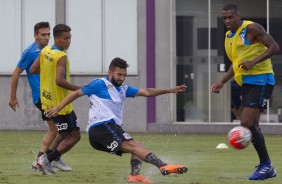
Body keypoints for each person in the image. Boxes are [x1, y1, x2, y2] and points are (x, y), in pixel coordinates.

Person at [46, 58, 188, 183]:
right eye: (119, 74)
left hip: (110, 128)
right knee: (134, 147)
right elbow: (77, 93)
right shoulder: (99, 83)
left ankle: (135, 176)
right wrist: (58, 108)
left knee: (137, 146)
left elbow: (147, 92)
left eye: (124, 75)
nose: (121, 78)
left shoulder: (123, 89)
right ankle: (162, 165)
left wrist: (169, 90)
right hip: (101, 127)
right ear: (110, 72)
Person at [211, 4, 280, 180]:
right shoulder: (229, 36)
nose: (227, 21)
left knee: (246, 122)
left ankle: (266, 165)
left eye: (230, 17)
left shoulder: (251, 28)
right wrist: (222, 82)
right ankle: (266, 167)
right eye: (224, 18)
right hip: (247, 83)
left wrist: (254, 62)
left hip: (261, 79)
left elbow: (274, 47)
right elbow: (237, 63)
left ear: (238, 16)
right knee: (253, 125)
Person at [8, 22, 71, 172]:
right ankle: (47, 159)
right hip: (42, 97)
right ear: (35, 35)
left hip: (51, 96)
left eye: (48, 34)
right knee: (61, 129)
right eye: (43, 34)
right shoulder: (30, 51)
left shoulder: (49, 50)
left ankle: (46, 159)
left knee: (58, 129)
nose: (46, 37)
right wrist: (12, 97)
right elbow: (16, 73)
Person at [30, 24, 81, 175]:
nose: (69, 41)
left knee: (73, 133)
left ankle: (50, 158)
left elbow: (33, 69)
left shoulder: (46, 50)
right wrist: (80, 89)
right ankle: (44, 160)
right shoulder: (61, 56)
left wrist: (48, 70)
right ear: (57, 38)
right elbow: (59, 81)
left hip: (48, 100)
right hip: (59, 103)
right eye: (66, 38)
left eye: (70, 38)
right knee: (67, 133)